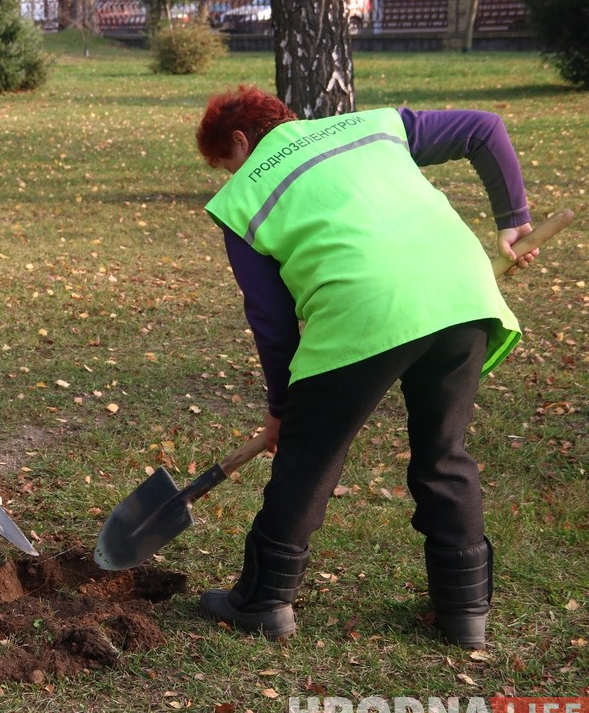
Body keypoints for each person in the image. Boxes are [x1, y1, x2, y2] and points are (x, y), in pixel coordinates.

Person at [193, 85, 539, 648]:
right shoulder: (372, 125)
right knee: (444, 453)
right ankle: (464, 612)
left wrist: (283, 410)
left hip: (362, 311)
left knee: (310, 456)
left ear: (240, 140)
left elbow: (274, 325)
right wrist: (513, 219)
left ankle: (264, 600)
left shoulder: (241, 202)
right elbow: (484, 128)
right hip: (462, 294)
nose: (230, 177)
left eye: (225, 165)